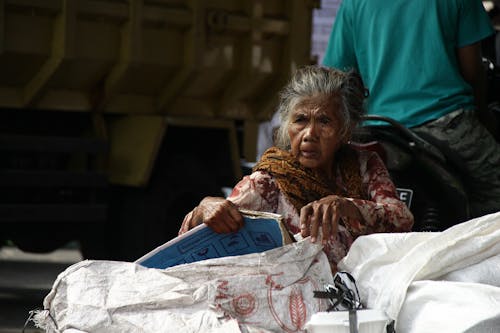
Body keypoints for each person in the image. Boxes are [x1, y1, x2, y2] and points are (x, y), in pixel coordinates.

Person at [180, 66, 414, 272]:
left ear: (345, 130)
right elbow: (191, 243)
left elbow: (402, 218)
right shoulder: (267, 182)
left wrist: (346, 205)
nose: (310, 135)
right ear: (287, 126)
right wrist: (202, 210)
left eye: (324, 121)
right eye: (300, 120)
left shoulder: (364, 165)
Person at [322, 0, 500, 218]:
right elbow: (472, 71)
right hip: (446, 121)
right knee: (494, 186)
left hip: (376, 127)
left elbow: (337, 76)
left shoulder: (354, 3)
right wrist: (484, 116)